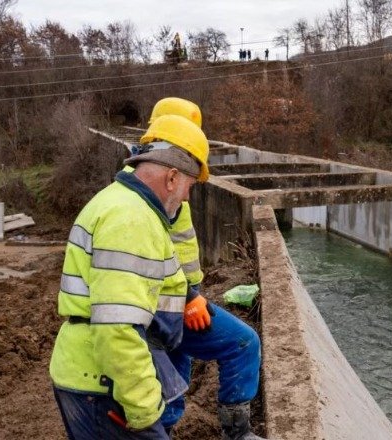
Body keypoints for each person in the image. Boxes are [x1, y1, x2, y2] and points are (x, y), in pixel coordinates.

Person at [49, 114, 210, 440]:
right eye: (189, 187)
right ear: (171, 178)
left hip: (94, 377)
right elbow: (117, 329)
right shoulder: (131, 220)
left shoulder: (124, 203)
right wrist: (144, 410)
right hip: (101, 383)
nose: (188, 198)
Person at [143, 98, 265, 440]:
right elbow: (153, 254)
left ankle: (166, 431)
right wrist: (189, 295)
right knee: (243, 344)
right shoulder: (152, 191)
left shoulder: (149, 183)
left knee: (172, 381)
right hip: (171, 304)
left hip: (175, 302)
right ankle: (236, 434)